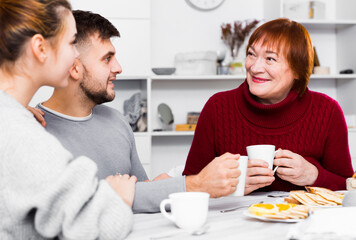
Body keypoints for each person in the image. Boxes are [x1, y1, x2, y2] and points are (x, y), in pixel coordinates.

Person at [31, 10, 241, 213]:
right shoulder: (34, 131)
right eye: (107, 58)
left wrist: (186, 181)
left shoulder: (117, 121)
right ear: (74, 68)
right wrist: (197, 184)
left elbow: (142, 192)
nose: (118, 67)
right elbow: (84, 208)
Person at [0, 1, 137, 239]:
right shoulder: (21, 134)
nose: (76, 55)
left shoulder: (12, 118)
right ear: (41, 48)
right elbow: (106, 226)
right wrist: (117, 198)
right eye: (73, 42)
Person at [183, 18, 354, 193]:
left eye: (270, 58)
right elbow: (190, 185)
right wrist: (234, 185)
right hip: (231, 219)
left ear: (297, 70)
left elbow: (349, 186)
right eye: (251, 54)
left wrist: (314, 175)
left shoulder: (328, 111)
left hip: (307, 219)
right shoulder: (217, 107)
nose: (255, 67)